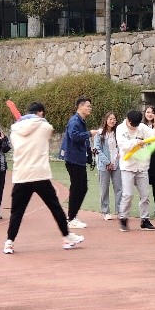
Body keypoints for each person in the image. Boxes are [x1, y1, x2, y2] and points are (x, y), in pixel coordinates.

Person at [3, 102, 84, 253]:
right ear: (40, 113)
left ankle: (9, 242)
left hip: (21, 176)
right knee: (55, 207)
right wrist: (39, 120)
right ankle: (67, 237)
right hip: (40, 174)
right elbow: (48, 128)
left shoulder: (15, 130)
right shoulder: (45, 127)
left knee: (17, 212)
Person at [59, 97, 99, 229]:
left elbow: (80, 139)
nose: (90, 108)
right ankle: (71, 218)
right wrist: (90, 133)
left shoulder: (80, 121)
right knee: (78, 188)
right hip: (73, 159)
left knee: (81, 188)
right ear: (80, 106)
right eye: (88, 106)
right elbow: (74, 136)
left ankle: (72, 216)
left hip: (78, 159)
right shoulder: (75, 120)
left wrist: (89, 151)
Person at [116, 110, 155, 232]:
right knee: (127, 194)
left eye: (136, 125)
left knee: (145, 195)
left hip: (142, 165)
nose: (134, 127)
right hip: (127, 166)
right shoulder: (120, 129)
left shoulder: (142, 127)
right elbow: (123, 145)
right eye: (132, 125)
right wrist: (136, 142)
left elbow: (153, 137)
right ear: (127, 120)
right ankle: (123, 218)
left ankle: (145, 220)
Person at [94, 111, 122, 220]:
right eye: (110, 119)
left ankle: (120, 211)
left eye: (114, 119)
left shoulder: (118, 133)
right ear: (106, 120)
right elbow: (97, 149)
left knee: (119, 188)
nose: (112, 121)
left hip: (116, 164)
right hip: (104, 166)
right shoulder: (99, 133)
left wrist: (116, 160)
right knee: (104, 189)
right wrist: (107, 162)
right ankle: (105, 211)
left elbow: (120, 147)